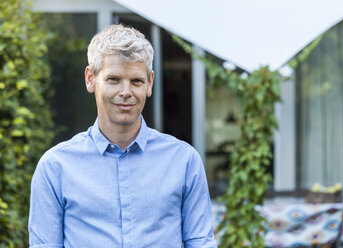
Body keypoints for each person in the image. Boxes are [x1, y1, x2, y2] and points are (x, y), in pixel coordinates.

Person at [28, 24, 217, 248]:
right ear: (90, 79)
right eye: (113, 79)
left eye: (136, 81)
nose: (126, 92)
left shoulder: (184, 161)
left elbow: (201, 244)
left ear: (150, 83)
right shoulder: (55, 167)